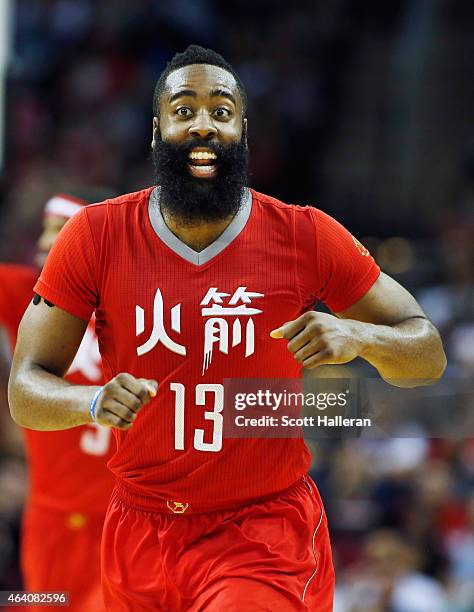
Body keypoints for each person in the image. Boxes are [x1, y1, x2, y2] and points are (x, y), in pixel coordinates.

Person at [8, 46, 446, 611]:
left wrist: (364, 338)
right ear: (157, 130)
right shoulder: (95, 235)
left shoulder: (306, 234)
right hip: (139, 530)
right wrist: (92, 402)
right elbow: (26, 388)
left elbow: (427, 351)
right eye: (183, 109)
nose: (202, 125)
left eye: (221, 111)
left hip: (259, 533)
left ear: (242, 131)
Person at [0, 192, 115, 611]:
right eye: (45, 233)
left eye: (59, 233)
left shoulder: (133, 309)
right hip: (51, 522)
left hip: (120, 521)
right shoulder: (26, 296)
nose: (45, 244)